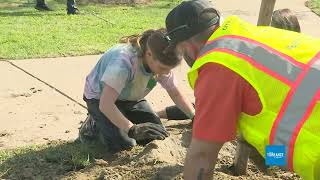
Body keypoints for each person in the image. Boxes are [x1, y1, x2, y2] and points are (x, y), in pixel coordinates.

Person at [164, 0, 320, 179]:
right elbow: (297, 148)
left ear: (188, 47)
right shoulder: (251, 35)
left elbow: (202, 156)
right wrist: (268, 154)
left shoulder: (217, 67)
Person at [78, 28, 195, 153]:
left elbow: (175, 93)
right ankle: (93, 125)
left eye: (169, 69)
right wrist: (132, 129)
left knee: (156, 134)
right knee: (124, 144)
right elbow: (106, 104)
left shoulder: (160, 61)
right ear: (149, 54)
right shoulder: (123, 63)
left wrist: (194, 117)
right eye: (163, 68)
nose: (166, 73)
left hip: (130, 98)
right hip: (99, 98)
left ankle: (122, 116)